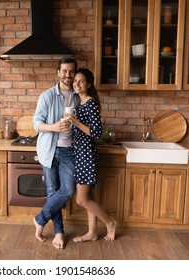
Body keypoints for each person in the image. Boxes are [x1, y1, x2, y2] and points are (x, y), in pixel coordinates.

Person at [32, 56, 80, 249]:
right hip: (49, 151)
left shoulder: (78, 96)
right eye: (64, 71)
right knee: (53, 192)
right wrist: (54, 126)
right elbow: (36, 124)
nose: (68, 75)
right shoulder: (47, 96)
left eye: (71, 71)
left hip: (69, 150)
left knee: (67, 190)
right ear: (58, 72)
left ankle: (39, 218)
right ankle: (59, 232)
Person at [65, 68, 117, 242]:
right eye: (75, 81)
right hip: (79, 152)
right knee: (88, 197)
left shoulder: (91, 103)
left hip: (87, 153)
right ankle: (92, 232)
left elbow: (96, 133)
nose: (77, 84)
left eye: (81, 81)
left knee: (80, 199)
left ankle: (110, 223)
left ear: (88, 84)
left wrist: (74, 121)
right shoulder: (79, 103)